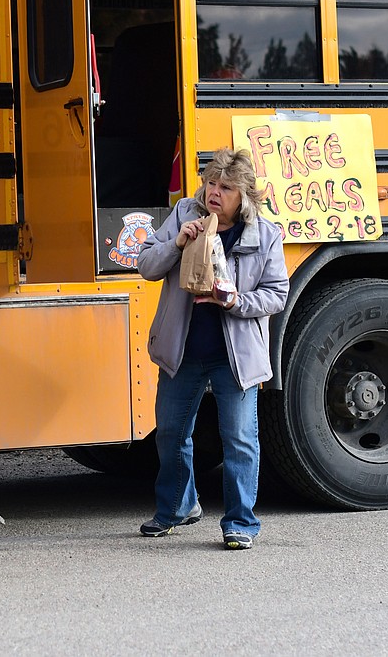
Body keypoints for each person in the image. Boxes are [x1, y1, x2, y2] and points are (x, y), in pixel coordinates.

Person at [136, 147, 288, 549]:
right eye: (210, 183)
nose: (214, 193)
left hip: (234, 357)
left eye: (225, 187)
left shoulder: (265, 234)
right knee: (170, 433)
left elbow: (276, 295)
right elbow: (146, 265)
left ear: (244, 196)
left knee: (239, 439)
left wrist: (236, 301)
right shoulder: (186, 214)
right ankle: (176, 508)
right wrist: (175, 246)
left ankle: (240, 522)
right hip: (182, 351)